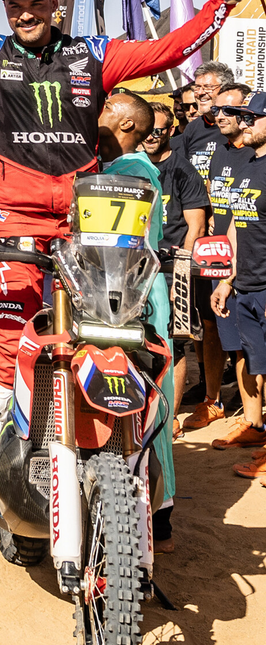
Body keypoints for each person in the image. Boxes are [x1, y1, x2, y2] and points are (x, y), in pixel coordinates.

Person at [0, 0, 242, 490]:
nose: (26, 14)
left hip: (87, 220)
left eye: (37, 3)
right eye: (16, 5)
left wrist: (222, 0)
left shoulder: (93, 54)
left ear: (55, 5)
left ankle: (118, 446)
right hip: (17, 218)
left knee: (109, 329)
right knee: (12, 327)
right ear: (6, 10)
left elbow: (172, 47)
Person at [96, 92, 179, 551]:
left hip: (134, 303)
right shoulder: (119, 170)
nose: (98, 109)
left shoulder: (129, 174)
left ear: (127, 125)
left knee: (146, 405)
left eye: (109, 107)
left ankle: (157, 513)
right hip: (126, 298)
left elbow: (118, 252)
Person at [186, 82, 253, 431]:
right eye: (218, 109)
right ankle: (214, 400)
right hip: (219, 254)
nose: (220, 115)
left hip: (253, 256)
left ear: (247, 114)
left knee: (251, 340)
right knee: (214, 328)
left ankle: (253, 412)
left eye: (230, 110)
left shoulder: (257, 154)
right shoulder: (221, 150)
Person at [210, 93, 266, 479]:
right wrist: (227, 279)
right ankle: (257, 429)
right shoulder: (248, 163)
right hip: (243, 284)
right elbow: (234, 223)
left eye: (252, 118)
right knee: (257, 364)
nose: (243, 124)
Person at [144, 101, 209, 426]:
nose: (152, 136)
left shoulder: (183, 170)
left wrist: (180, 282)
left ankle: (168, 421)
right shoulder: (133, 167)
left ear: (171, 130)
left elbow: (195, 227)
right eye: (147, 130)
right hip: (135, 270)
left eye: (159, 130)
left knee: (175, 344)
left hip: (173, 271)